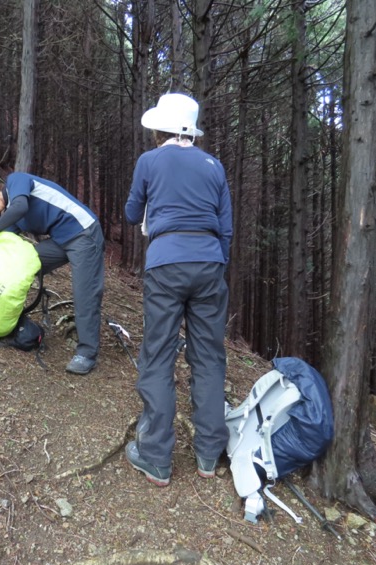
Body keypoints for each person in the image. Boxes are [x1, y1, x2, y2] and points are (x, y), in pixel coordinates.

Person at [123, 93, 233, 486]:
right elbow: (225, 227)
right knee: (208, 358)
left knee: (158, 355)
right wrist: (214, 264)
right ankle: (208, 453)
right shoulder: (213, 165)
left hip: (166, 264)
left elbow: (133, 213)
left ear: (160, 127)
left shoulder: (150, 161)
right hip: (209, 265)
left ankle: (155, 456)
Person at [0, 172, 104, 375]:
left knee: (85, 294)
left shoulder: (16, 181)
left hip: (84, 233)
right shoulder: (11, 215)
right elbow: (5, 239)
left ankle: (86, 353)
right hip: (60, 240)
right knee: (20, 266)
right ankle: (9, 319)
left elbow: (21, 207)